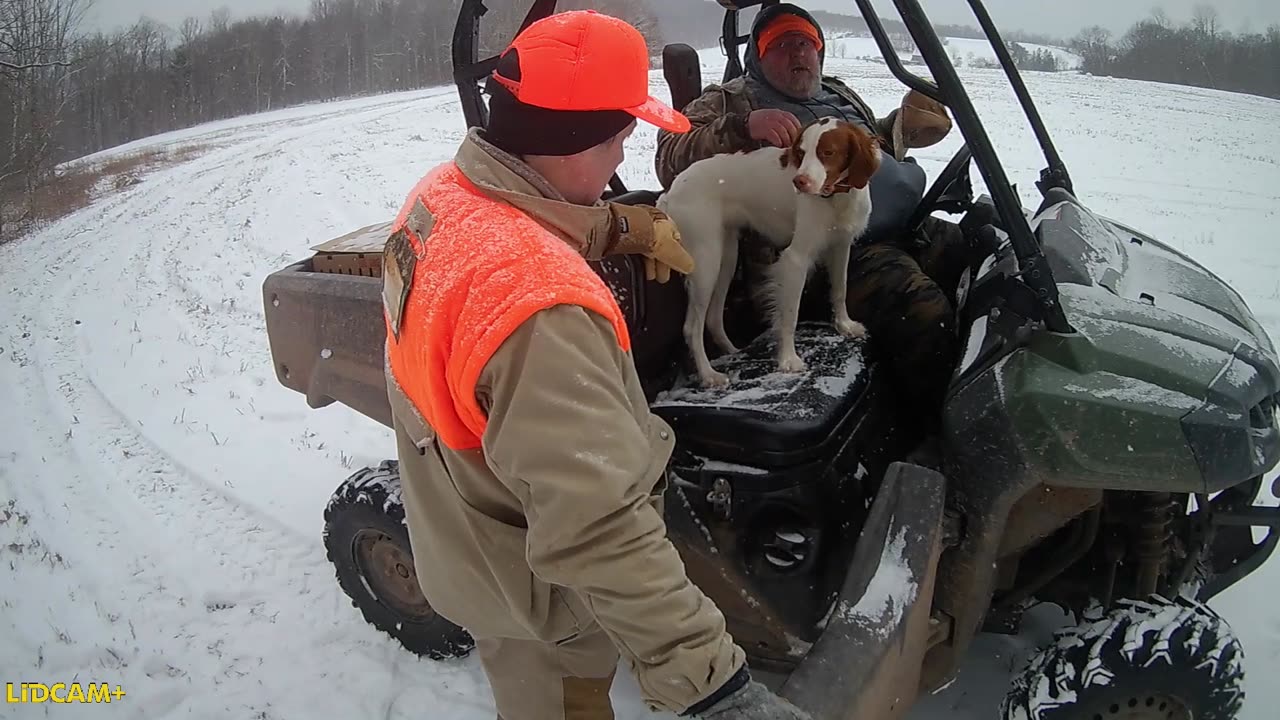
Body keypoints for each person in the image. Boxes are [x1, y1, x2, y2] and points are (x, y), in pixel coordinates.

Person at [382, 10, 811, 720]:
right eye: (618, 138)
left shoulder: (445, 197)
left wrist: (624, 225)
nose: (622, 160)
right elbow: (600, 531)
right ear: (570, 137)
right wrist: (717, 690)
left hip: (466, 532)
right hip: (539, 598)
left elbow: (527, 207)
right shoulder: (540, 316)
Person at [655, 2, 988, 435]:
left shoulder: (838, 92)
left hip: (881, 219)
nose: (798, 54)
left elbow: (866, 149)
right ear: (759, 55)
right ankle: (925, 435)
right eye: (781, 46)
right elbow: (669, 156)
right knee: (921, 308)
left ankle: (978, 386)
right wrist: (743, 126)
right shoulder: (730, 98)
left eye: (806, 44)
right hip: (818, 248)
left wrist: (904, 127)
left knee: (979, 246)